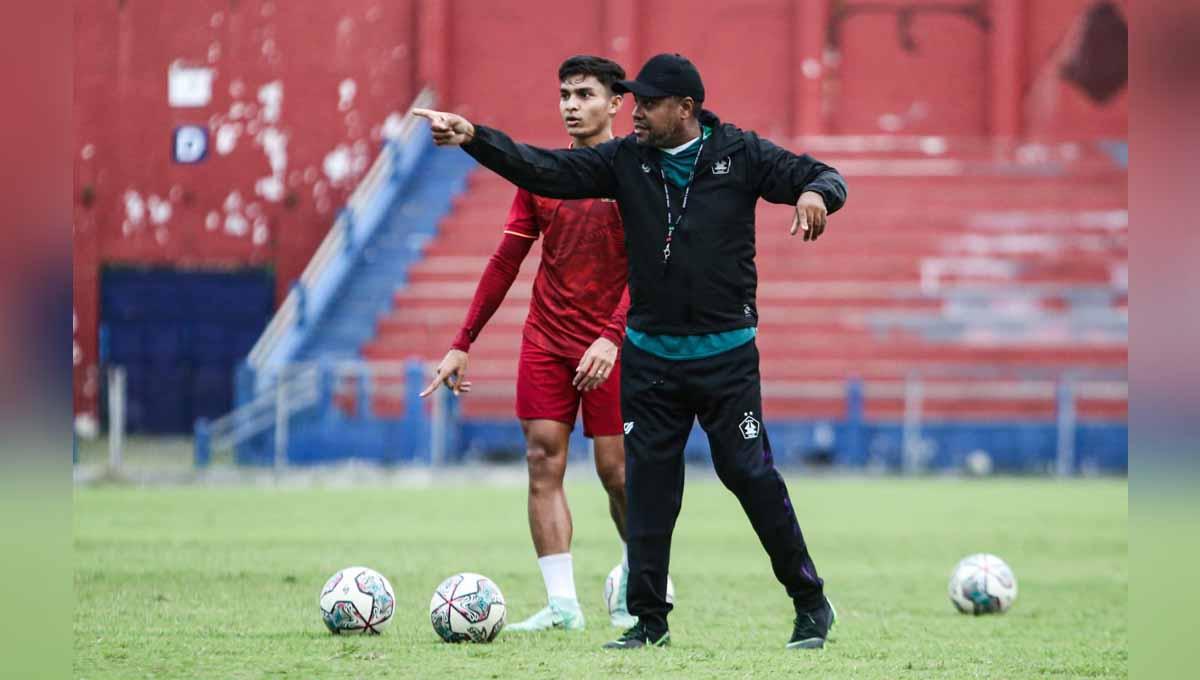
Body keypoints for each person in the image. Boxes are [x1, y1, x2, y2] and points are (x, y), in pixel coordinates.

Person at [415, 52, 848, 651]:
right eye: (632, 101)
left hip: (726, 361)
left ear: (685, 109)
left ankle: (810, 603)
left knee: (748, 475)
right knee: (648, 486)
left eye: (645, 103)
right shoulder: (624, 161)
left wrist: (817, 195)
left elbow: (823, 174)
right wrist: (474, 138)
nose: (634, 112)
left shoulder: (741, 154)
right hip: (651, 361)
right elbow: (543, 171)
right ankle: (648, 621)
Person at [419, 55, 639, 632]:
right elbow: (506, 260)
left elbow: (651, 272)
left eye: (585, 94)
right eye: (565, 93)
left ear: (616, 103)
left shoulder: (637, 177)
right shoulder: (543, 176)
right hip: (547, 337)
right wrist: (462, 341)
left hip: (616, 344)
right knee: (543, 460)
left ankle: (644, 577)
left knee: (618, 472)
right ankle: (563, 605)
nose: (571, 104)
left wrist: (612, 336)